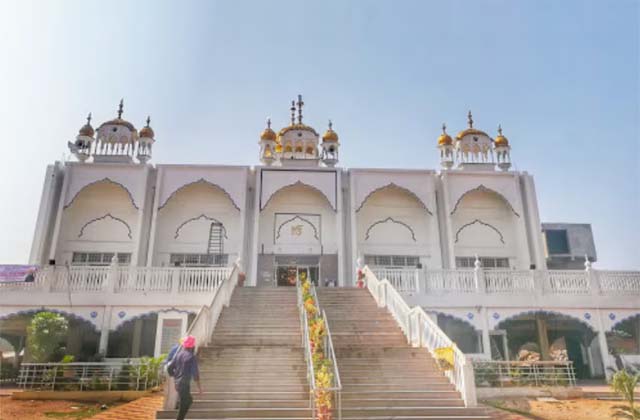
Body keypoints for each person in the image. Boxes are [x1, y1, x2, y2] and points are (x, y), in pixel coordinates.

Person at [173, 335, 202, 420]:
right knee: (187, 401)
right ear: (192, 346)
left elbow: (170, 368)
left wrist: (175, 379)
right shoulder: (191, 357)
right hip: (184, 383)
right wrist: (199, 388)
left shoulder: (178, 355)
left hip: (179, 383)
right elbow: (195, 374)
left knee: (187, 401)